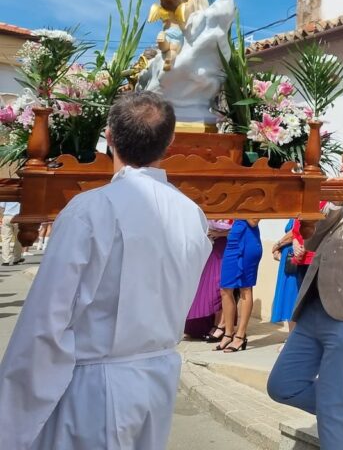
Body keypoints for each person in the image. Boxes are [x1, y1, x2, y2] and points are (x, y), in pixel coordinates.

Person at [0, 92, 211, 449]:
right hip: (157, 380)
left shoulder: (90, 209)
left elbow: (45, 323)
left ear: (108, 137)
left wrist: (13, 414)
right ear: (171, 142)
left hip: (96, 388)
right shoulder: (191, 213)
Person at [268, 138, 343, 450]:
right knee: (282, 385)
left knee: (333, 405)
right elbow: (312, 242)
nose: (341, 168)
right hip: (315, 307)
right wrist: (335, 202)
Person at [217, 218, 262, 352]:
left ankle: (240, 336)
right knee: (225, 289)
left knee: (245, 288)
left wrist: (242, 206)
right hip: (232, 242)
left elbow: (254, 221)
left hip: (248, 242)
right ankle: (228, 333)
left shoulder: (256, 199)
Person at [184, 218, 232, 341]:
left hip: (228, 247)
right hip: (211, 248)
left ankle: (219, 325)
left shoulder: (236, 212)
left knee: (218, 287)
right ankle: (201, 325)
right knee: (206, 287)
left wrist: (219, 233)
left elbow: (239, 230)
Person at [269, 219, 302, 332]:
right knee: (289, 296)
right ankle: (291, 335)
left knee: (292, 295)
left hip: (296, 257)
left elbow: (295, 232)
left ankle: (294, 337)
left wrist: (277, 245)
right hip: (289, 256)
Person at [1, 195, 24, 266]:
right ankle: (16, 258)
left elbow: (1, 207)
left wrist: (1, 216)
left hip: (7, 216)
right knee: (18, 238)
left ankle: (6, 260)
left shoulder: (8, 194)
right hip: (18, 217)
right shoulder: (22, 194)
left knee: (5, 239)